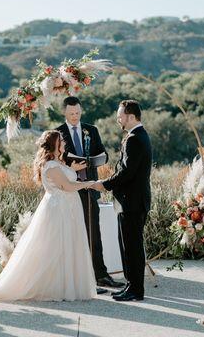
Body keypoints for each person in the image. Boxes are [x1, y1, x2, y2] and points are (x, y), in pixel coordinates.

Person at [0, 130, 96, 301]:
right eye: (62, 141)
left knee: (66, 245)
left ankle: (66, 284)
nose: (64, 143)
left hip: (67, 208)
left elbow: (65, 178)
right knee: (56, 246)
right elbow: (67, 186)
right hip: (60, 210)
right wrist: (91, 184)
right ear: (55, 146)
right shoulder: (50, 165)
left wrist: (72, 168)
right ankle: (54, 286)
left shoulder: (57, 163)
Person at [57, 96, 124, 290]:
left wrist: (96, 160)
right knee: (72, 235)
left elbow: (103, 154)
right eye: (71, 114)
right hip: (69, 190)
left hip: (90, 188)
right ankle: (77, 278)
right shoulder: (57, 132)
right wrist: (72, 165)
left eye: (78, 113)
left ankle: (101, 275)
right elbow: (53, 160)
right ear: (64, 113)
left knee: (94, 234)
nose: (75, 116)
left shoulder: (91, 130)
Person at [92, 100, 152, 301]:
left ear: (131, 116)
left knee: (132, 247)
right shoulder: (139, 136)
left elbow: (126, 173)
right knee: (130, 245)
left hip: (132, 202)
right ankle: (132, 286)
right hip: (134, 200)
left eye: (120, 115)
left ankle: (135, 289)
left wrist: (105, 184)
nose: (118, 119)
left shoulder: (135, 138)